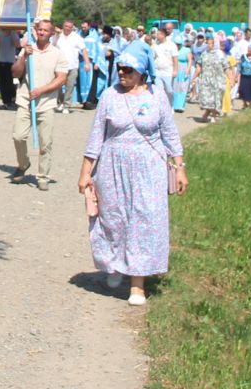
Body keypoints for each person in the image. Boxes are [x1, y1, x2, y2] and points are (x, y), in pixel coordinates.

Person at [79, 41, 185, 307]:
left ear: (141, 71)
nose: (122, 74)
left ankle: (137, 284)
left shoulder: (157, 95)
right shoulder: (109, 96)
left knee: (144, 220)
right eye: (119, 68)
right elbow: (96, 137)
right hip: (113, 167)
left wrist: (180, 167)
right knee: (114, 218)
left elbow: (170, 132)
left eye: (128, 69)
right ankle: (115, 264)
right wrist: (85, 172)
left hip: (149, 168)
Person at [10, 17, 66, 186]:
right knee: (18, 136)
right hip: (25, 100)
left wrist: (41, 90)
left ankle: (43, 176)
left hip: (46, 103)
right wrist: (23, 57)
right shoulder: (28, 50)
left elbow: (61, 78)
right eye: (39, 29)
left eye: (45, 30)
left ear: (51, 33)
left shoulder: (57, 54)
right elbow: (15, 73)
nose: (41, 32)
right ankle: (23, 164)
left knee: (45, 142)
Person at [188, 34, 228, 122]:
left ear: (214, 44)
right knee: (206, 99)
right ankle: (207, 114)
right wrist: (194, 77)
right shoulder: (204, 54)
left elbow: (226, 67)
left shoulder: (220, 54)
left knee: (215, 99)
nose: (209, 45)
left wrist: (231, 78)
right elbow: (199, 66)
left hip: (218, 80)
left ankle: (213, 116)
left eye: (211, 44)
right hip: (206, 79)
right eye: (208, 43)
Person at [0, 24, 20, 108]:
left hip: (10, 63)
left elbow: (17, 45)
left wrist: (11, 33)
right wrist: (3, 33)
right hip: (0, 62)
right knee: (2, 84)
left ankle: (12, 99)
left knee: (9, 83)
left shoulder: (14, 34)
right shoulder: (0, 34)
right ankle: (5, 101)